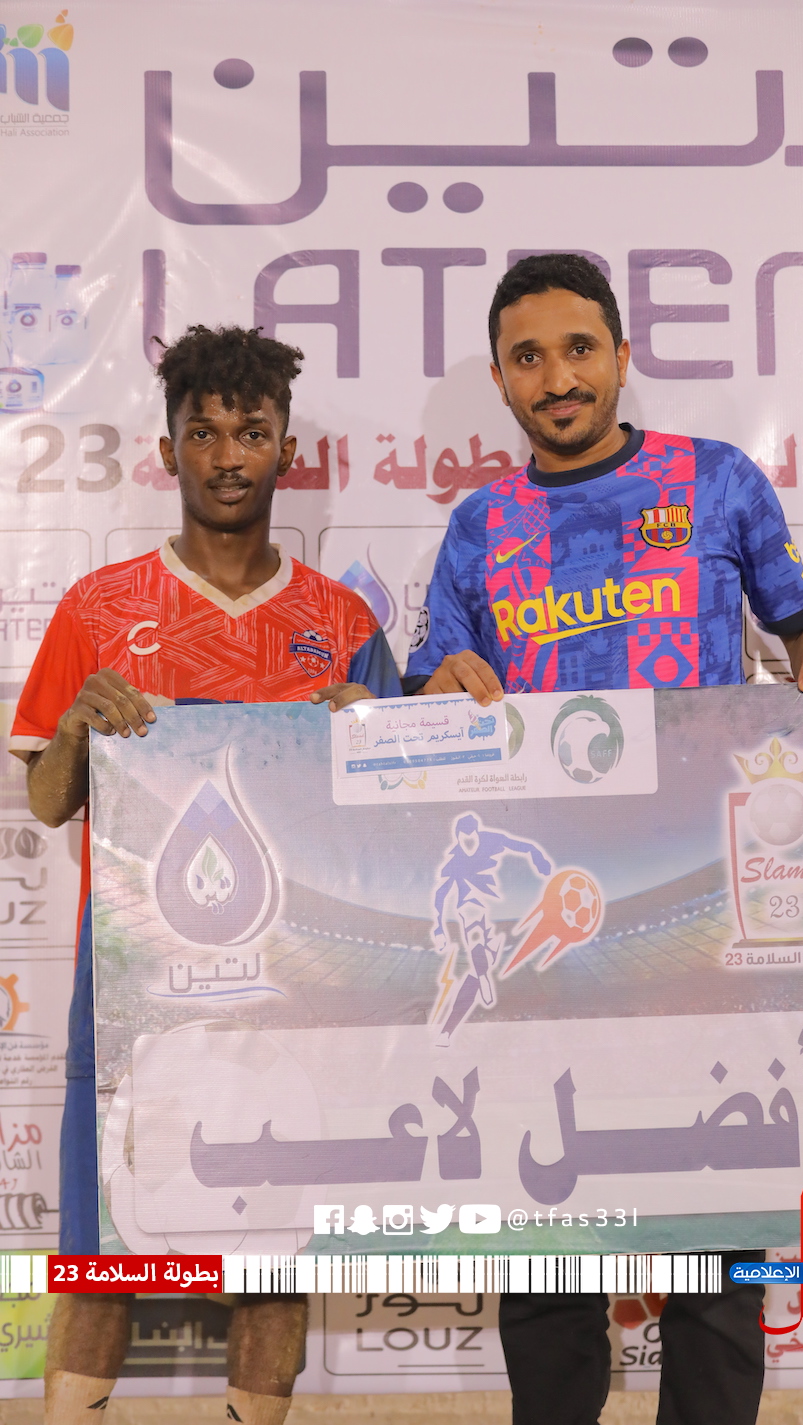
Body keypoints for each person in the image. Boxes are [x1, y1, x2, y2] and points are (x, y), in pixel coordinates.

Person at [404, 254, 803, 1425]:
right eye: (527, 358)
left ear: (620, 356)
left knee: (717, 1235)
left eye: (578, 349)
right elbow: (429, 693)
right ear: (502, 381)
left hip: (694, 902)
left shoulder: (714, 483)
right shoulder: (477, 527)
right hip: (542, 928)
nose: (556, 378)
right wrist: (438, 684)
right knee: (543, 1242)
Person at [9, 325, 400, 1425]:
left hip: (295, 986)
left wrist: (372, 741)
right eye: (205, 432)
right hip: (132, 983)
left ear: (286, 451)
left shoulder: (342, 621)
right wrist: (77, 725)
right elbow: (47, 802)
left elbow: (390, 837)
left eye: (252, 432)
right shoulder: (99, 607)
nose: (228, 456)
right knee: (104, 1250)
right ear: (168, 448)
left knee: (272, 1254)